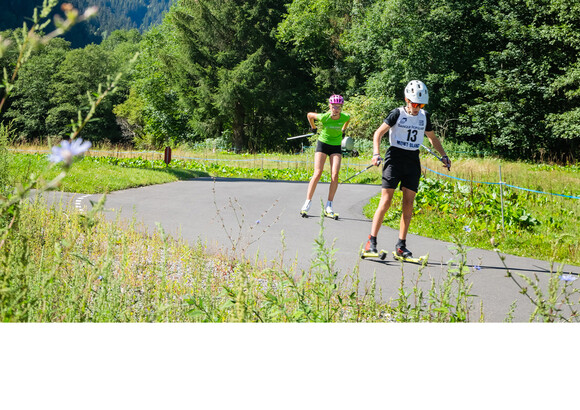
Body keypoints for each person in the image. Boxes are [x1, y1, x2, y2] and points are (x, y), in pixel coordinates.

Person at [364, 80, 451, 258]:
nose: (417, 107)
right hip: (394, 158)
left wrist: (443, 155)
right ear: (406, 100)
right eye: (414, 103)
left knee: (409, 203)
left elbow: (433, 139)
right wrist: (375, 153)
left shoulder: (424, 116)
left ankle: (401, 246)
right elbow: (378, 133)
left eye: (421, 104)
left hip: (412, 159)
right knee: (386, 201)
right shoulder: (397, 113)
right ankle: (371, 241)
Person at [300, 94, 350, 216]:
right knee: (317, 173)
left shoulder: (345, 116)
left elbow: (348, 120)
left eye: (338, 106)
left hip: (336, 146)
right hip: (323, 144)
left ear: (341, 107)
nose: (336, 109)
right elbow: (309, 115)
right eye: (334, 106)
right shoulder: (324, 117)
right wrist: (313, 127)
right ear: (330, 106)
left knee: (335, 174)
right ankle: (307, 202)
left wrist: (343, 130)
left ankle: (329, 205)